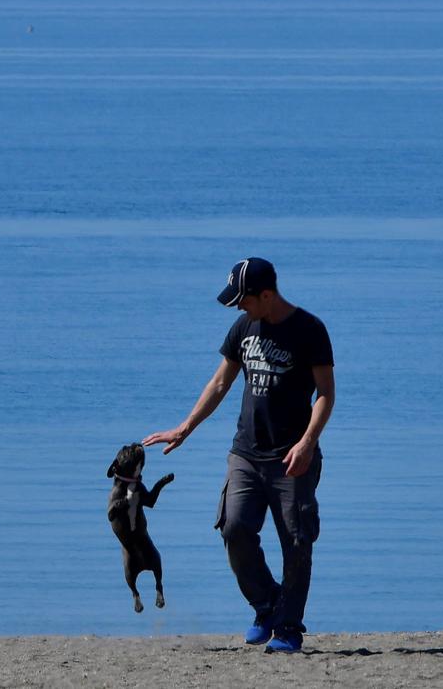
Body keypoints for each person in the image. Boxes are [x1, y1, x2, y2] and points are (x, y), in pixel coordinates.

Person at [143, 257, 335, 653]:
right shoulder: (243, 327)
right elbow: (219, 383)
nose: (238, 307)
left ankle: (288, 627)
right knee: (233, 527)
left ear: (266, 295)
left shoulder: (309, 330)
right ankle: (267, 605)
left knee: (296, 541)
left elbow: (326, 394)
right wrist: (185, 427)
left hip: (292, 456)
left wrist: (307, 442)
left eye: (243, 300)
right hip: (246, 452)